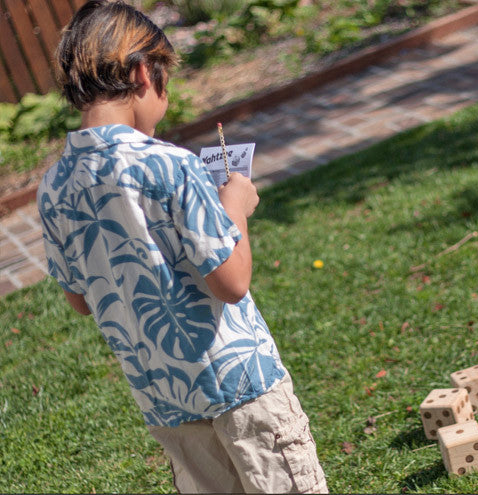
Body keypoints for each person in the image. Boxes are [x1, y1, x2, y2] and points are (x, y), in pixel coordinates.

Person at [37, 1, 328, 492]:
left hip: (165, 401)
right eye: (165, 85)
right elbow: (231, 283)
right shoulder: (172, 165)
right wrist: (233, 206)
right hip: (242, 388)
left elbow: (79, 301)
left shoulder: (53, 188)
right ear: (142, 73)